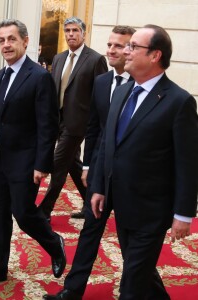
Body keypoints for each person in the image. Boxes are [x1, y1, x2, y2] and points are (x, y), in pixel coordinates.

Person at [90, 24, 198, 299]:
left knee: (132, 285)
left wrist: (183, 214)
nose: (125, 51)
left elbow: (188, 162)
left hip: (152, 210)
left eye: (133, 47)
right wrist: (100, 186)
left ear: (154, 56)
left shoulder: (179, 102)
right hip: (123, 204)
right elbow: (107, 143)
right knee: (142, 273)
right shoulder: (124, 91)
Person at [0, 19, 66, 286]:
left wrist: (41, 164)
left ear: (25, 41)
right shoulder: (0, 77)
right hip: (1, 159)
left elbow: (48, 125)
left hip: (27, 160)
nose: (6, 45)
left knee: (23, 214)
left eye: (11, 39)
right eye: (2, 40)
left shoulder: (40, 77)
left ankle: (54, 243)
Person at [43, 25, 135, 300]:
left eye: (119, 46)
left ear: (132, 50)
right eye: (110, 44)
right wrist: (87, 166)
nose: (111, 50)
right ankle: (73, 289)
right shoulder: (103, 82)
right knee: (89, 233)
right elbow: (95, 128)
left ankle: (150, 291)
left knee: (130, 243)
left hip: (130, 179)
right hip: (100, 174)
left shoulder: (141, 86)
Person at [38, 17, 108, 221]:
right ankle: (91, 203)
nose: (70, 34)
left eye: (75, 30)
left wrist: (98, 123)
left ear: (83, 34)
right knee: (73, 164)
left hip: (78, 123)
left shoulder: (95, 59)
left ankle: (44, 210)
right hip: (57, 120)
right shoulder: (59, 58)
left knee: (57, 164)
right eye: (67, 30)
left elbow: (101, 93)